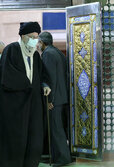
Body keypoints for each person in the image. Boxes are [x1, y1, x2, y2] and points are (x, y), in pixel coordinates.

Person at [0, 22, 51, 167]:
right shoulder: (12, 50)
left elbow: (42, 75)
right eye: (31, 37)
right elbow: (7, 76)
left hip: (33, 105)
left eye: (36, 37)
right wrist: (28, 85)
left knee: (33, 139)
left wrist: (45, 85)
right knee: (15, 140)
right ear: (23, 36)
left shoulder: (36, 56)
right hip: (15, 106)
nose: (34, 40)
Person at [38, 31, 71, 167]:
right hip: (61, 97)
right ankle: (56, 157)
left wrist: (49, 100)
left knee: (56, 130)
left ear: (43, 42)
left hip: (55, 100)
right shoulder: (57, 52)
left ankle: (63, 158)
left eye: (38, 42)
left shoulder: (48, 54)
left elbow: (50, 79)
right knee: (57, 128)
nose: (37, 45)